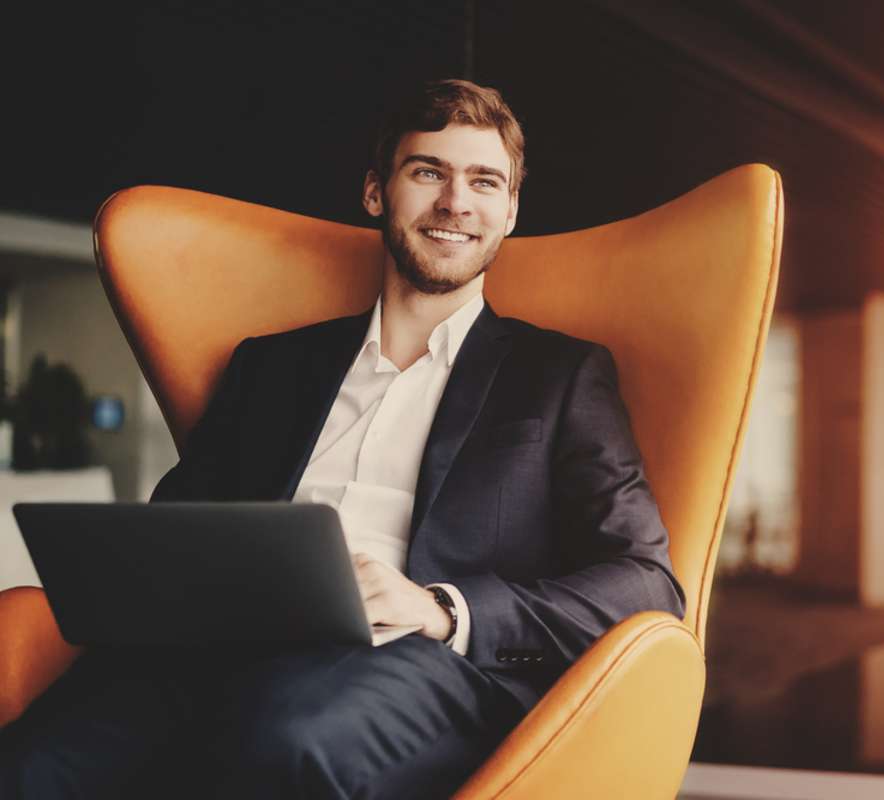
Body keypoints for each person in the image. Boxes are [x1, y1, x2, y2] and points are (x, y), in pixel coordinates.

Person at [1, 79, 685, 800]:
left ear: (509, 211)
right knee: (30, 771)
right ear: (375, 193)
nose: (456, 202)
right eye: (428, 172)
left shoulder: (560, 376)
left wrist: (443, 608)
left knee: (286, 743)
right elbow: (180, 527)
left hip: (415, 664)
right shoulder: (270, 367)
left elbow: (646, 580)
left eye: (484, 181)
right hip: (211, 650)